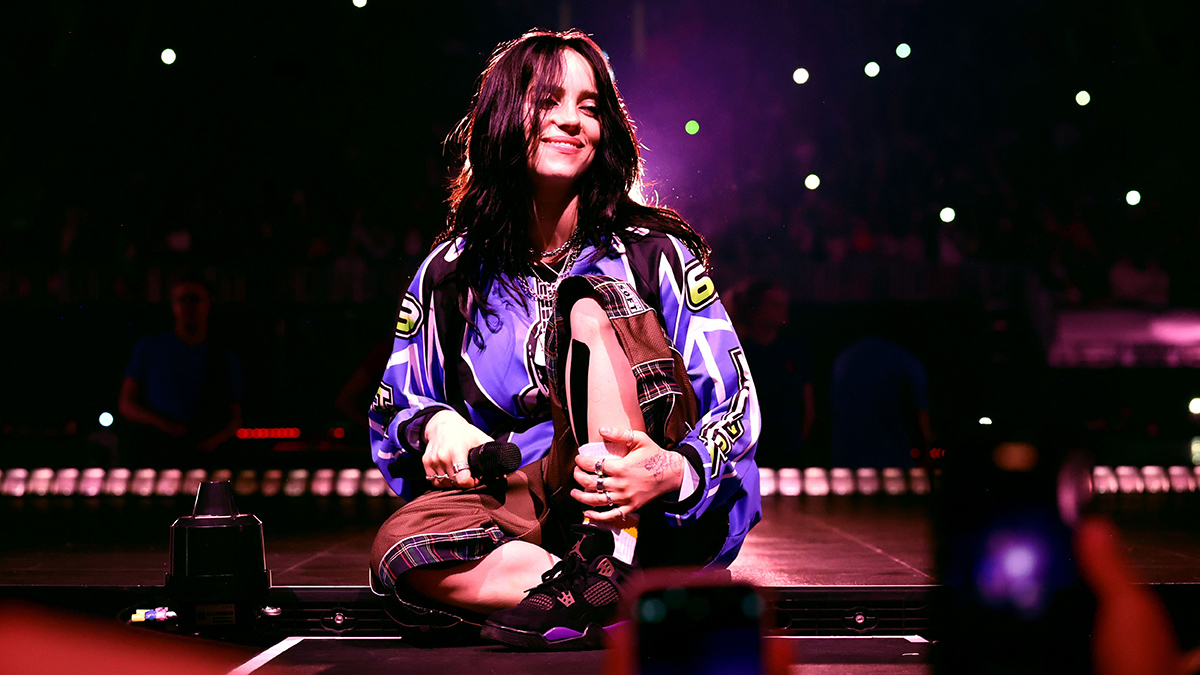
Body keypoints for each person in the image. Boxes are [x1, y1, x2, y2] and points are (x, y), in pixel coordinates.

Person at [367, 29, 760, 650]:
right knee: (398, 550)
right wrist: (435, 427)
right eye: (548, 100)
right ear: (502, 116)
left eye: (590, 105)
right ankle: (591, 590)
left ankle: (615, 558)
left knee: (590, 302)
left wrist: (673, 467)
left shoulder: (656, 252)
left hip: (651, 502)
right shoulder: (449, 272)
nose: (572, 121)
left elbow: (736, 399)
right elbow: (394, 407)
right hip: (531, 510)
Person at [118, 278, 243, 468]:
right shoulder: (150, 348)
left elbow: (235, 418)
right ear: (172, 305)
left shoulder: (224, 357)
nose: (188, 307)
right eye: (181, 300)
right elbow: (126, 404)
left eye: (194, 300)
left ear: (208, 304)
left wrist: (212, 442)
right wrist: (165, 427)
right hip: (156, 453)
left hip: (206, 456)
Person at [732, 280, 815, 468]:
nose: (782, 310)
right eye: (773, 304)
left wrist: (798, 445)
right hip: (750, 456)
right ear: (754, 309)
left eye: (784, 304)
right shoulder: (740, 353)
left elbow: (808, 408)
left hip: (789, 454)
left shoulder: (793, 352)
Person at [830, 318, 931, 469]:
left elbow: (834, 410)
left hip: (849, 459)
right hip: (894, 459)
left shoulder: (844, 360)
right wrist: (927, 452)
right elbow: (921, 413)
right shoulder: (906, 361)